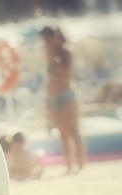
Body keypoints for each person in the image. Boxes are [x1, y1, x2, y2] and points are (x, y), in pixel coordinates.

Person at [40, 26, 85, 174]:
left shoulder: (66, 51)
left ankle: (81, 165)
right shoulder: (48, 53)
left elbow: (65, 74)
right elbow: (51, 77)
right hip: (54, 98)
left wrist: (53, 56)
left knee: (74, 132)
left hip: (67, 96)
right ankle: (69, 165)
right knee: (63, 134)